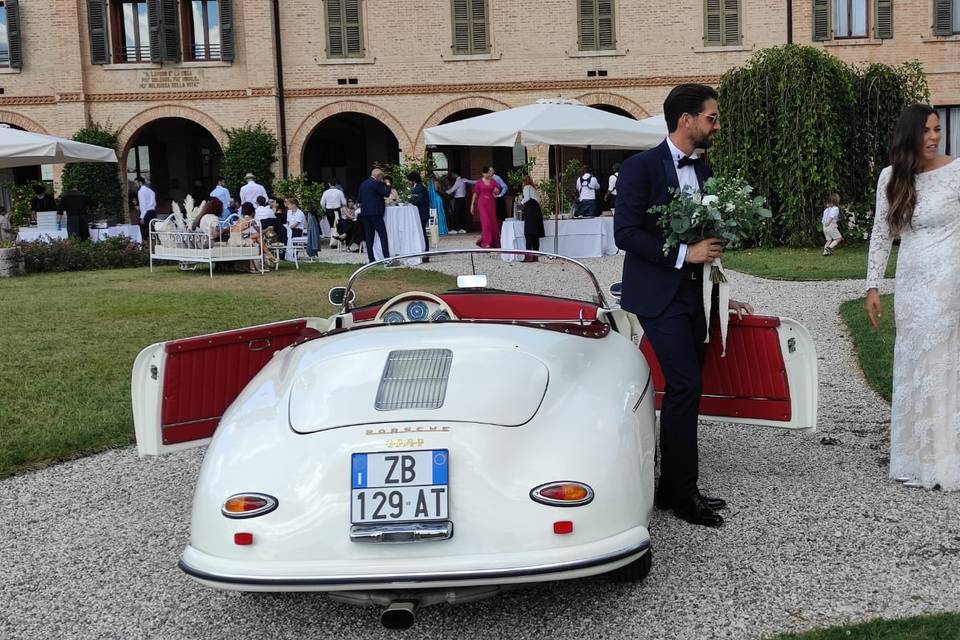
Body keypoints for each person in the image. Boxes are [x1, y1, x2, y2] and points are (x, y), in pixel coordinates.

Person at [614, 83, 753, 528]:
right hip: (658, 296)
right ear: (686, 119)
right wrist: (682, 255)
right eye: (711, 118)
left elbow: (707, 241)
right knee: (686, 385)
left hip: (697, 296)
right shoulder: (640, 168)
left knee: (684, 391)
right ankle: (683, 491)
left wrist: (720, 289)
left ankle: (673, 487)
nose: (717, 125)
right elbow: (626, 234)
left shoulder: (706, 170)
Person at [866, 104, 960, 491]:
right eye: (927, 130)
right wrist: (873, 286)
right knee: (914, 360)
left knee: (944, 361)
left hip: (949, 278)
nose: (935, 137)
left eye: (938, 129)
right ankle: (914, 454)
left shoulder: (957, 171)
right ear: (910, 136)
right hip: (911, 281)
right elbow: (880, 234)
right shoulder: (892, 177)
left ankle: (946, 455)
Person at [357, 168, 392, 263]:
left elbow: (359, 199)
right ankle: (387, 258)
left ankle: (371, 259)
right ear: (378, 176)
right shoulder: (376, 183)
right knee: (383, 235)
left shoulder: (363, 184)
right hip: (375, 213)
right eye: (382, 177)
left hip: (365, 213)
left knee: (369, 236)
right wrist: (388, 184)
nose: (382, 179)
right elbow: (386, 194)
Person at [470, 166, 501, 249]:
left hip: (491, 203)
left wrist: (496, 191)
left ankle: (494, 242)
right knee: (486, 223)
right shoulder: (479, 183)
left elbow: (496, 191)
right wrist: (472, 205)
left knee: (492, 222)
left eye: (488, 172)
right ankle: (486, 242)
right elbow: (475, 194)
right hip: (482, 204)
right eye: (486, 173)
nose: (487, 174)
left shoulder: (493, 181)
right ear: (483, 173)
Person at [520, 175, 545, 262]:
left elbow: (526, 198)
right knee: (535, 234)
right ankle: (535, 256)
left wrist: (521, 202)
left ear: (524, 182)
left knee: (528, 233)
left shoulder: (526, 187)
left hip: (530, 210)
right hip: (536, 210)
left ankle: (528, 256)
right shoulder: (533, 189)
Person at [407, 171, 431, 255]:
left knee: (422, 232)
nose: (408, 182)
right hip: (422, 213)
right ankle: (423, 249)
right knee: (421, 231)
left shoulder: (419, 188)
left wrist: (410, 202)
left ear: (413, 180)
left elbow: (420, 199)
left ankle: (425, 250)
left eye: (409, 180)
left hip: (422, 213)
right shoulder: (419, 187)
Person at [136, 176, 157, 243]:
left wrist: (142, 217)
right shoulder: (151, 191)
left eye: (136, 183)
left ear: (140, 183)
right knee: (153, 230)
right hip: (153, 212)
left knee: (142, 230)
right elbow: (154, 203)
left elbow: (143, 205)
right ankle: (154, 244)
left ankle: (145, 245)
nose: (136, 185)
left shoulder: (141, 191)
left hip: (146, 213)